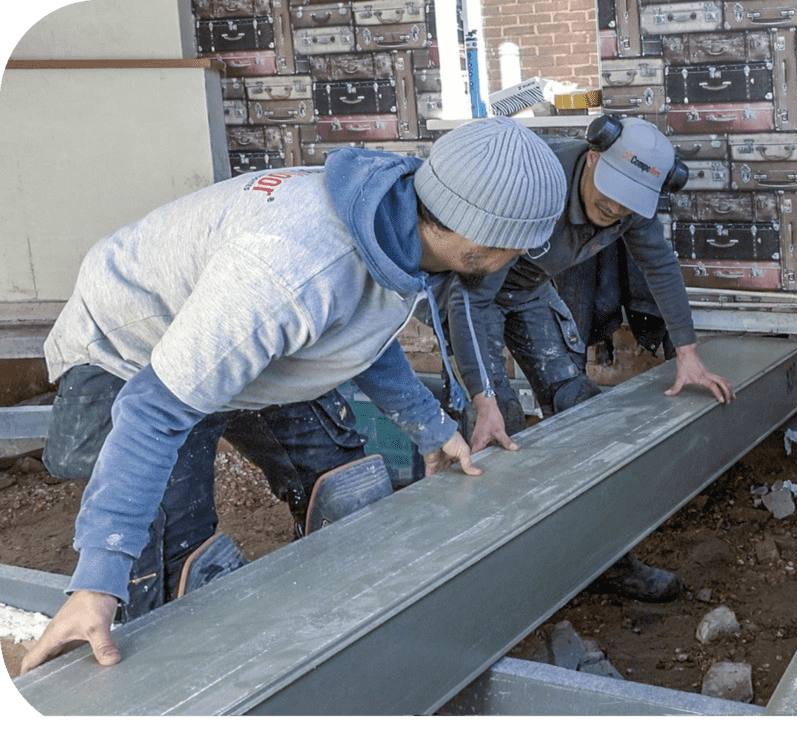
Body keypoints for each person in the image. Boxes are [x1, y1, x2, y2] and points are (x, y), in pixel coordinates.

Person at [19, 116, 567, 674]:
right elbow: (152, 410)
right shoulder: (291, 276)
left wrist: (431, 427)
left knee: (345, 485)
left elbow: (361, 328)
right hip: (136, 345)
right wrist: (98, 576)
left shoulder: (392, 218)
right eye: (518, 248)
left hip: (239, 333)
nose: (520, 259)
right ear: (477, 235)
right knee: (167, 567)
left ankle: (346, 638)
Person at [445, 115, 735, 601]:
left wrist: (687, 353)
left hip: (529, 287)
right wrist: (483, 395)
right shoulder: (535, 185)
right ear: (594, 155)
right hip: (469, 288)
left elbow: (659, 265)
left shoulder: (629, 200)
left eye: (628, 203)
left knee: (580, 406)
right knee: (498, 429)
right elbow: (470, 298)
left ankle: (606, 561)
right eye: (608, 195)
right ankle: (500, 581)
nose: (616, 208)